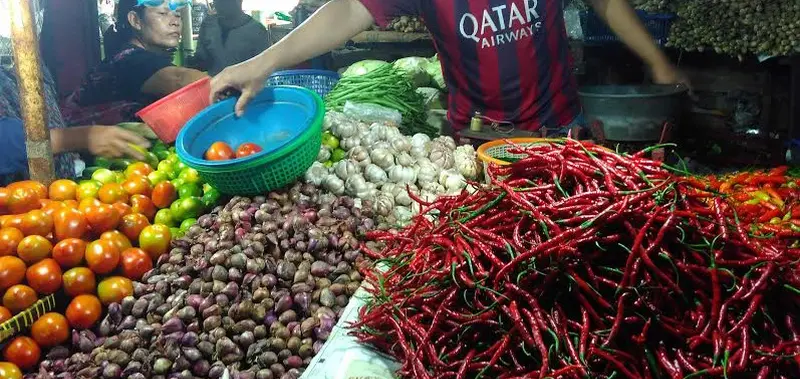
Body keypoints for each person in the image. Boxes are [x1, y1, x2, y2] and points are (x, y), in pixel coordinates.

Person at [210, 0, 689, 134]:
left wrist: (658, 63)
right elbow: (351, 10)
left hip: (562, 129)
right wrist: (263, 61)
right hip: (476, 141)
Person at [63, 0, 206, 126]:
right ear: (136, 20)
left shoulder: (128, 55)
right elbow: (179, 80)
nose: (175, 22)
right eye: (163, 13)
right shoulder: (129, 60)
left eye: (177, 15)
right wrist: (223, 82)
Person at [0, 67, 150, 183]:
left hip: (63, 190)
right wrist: (80, 138)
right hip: (19, 204)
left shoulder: (21, 71)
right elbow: (10, 146)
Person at [191, 0, 269, 75]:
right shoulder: (208, 25)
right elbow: (201, 61)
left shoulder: (257, 31)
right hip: (214, 86)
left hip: (245, 87)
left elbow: (264, 70)